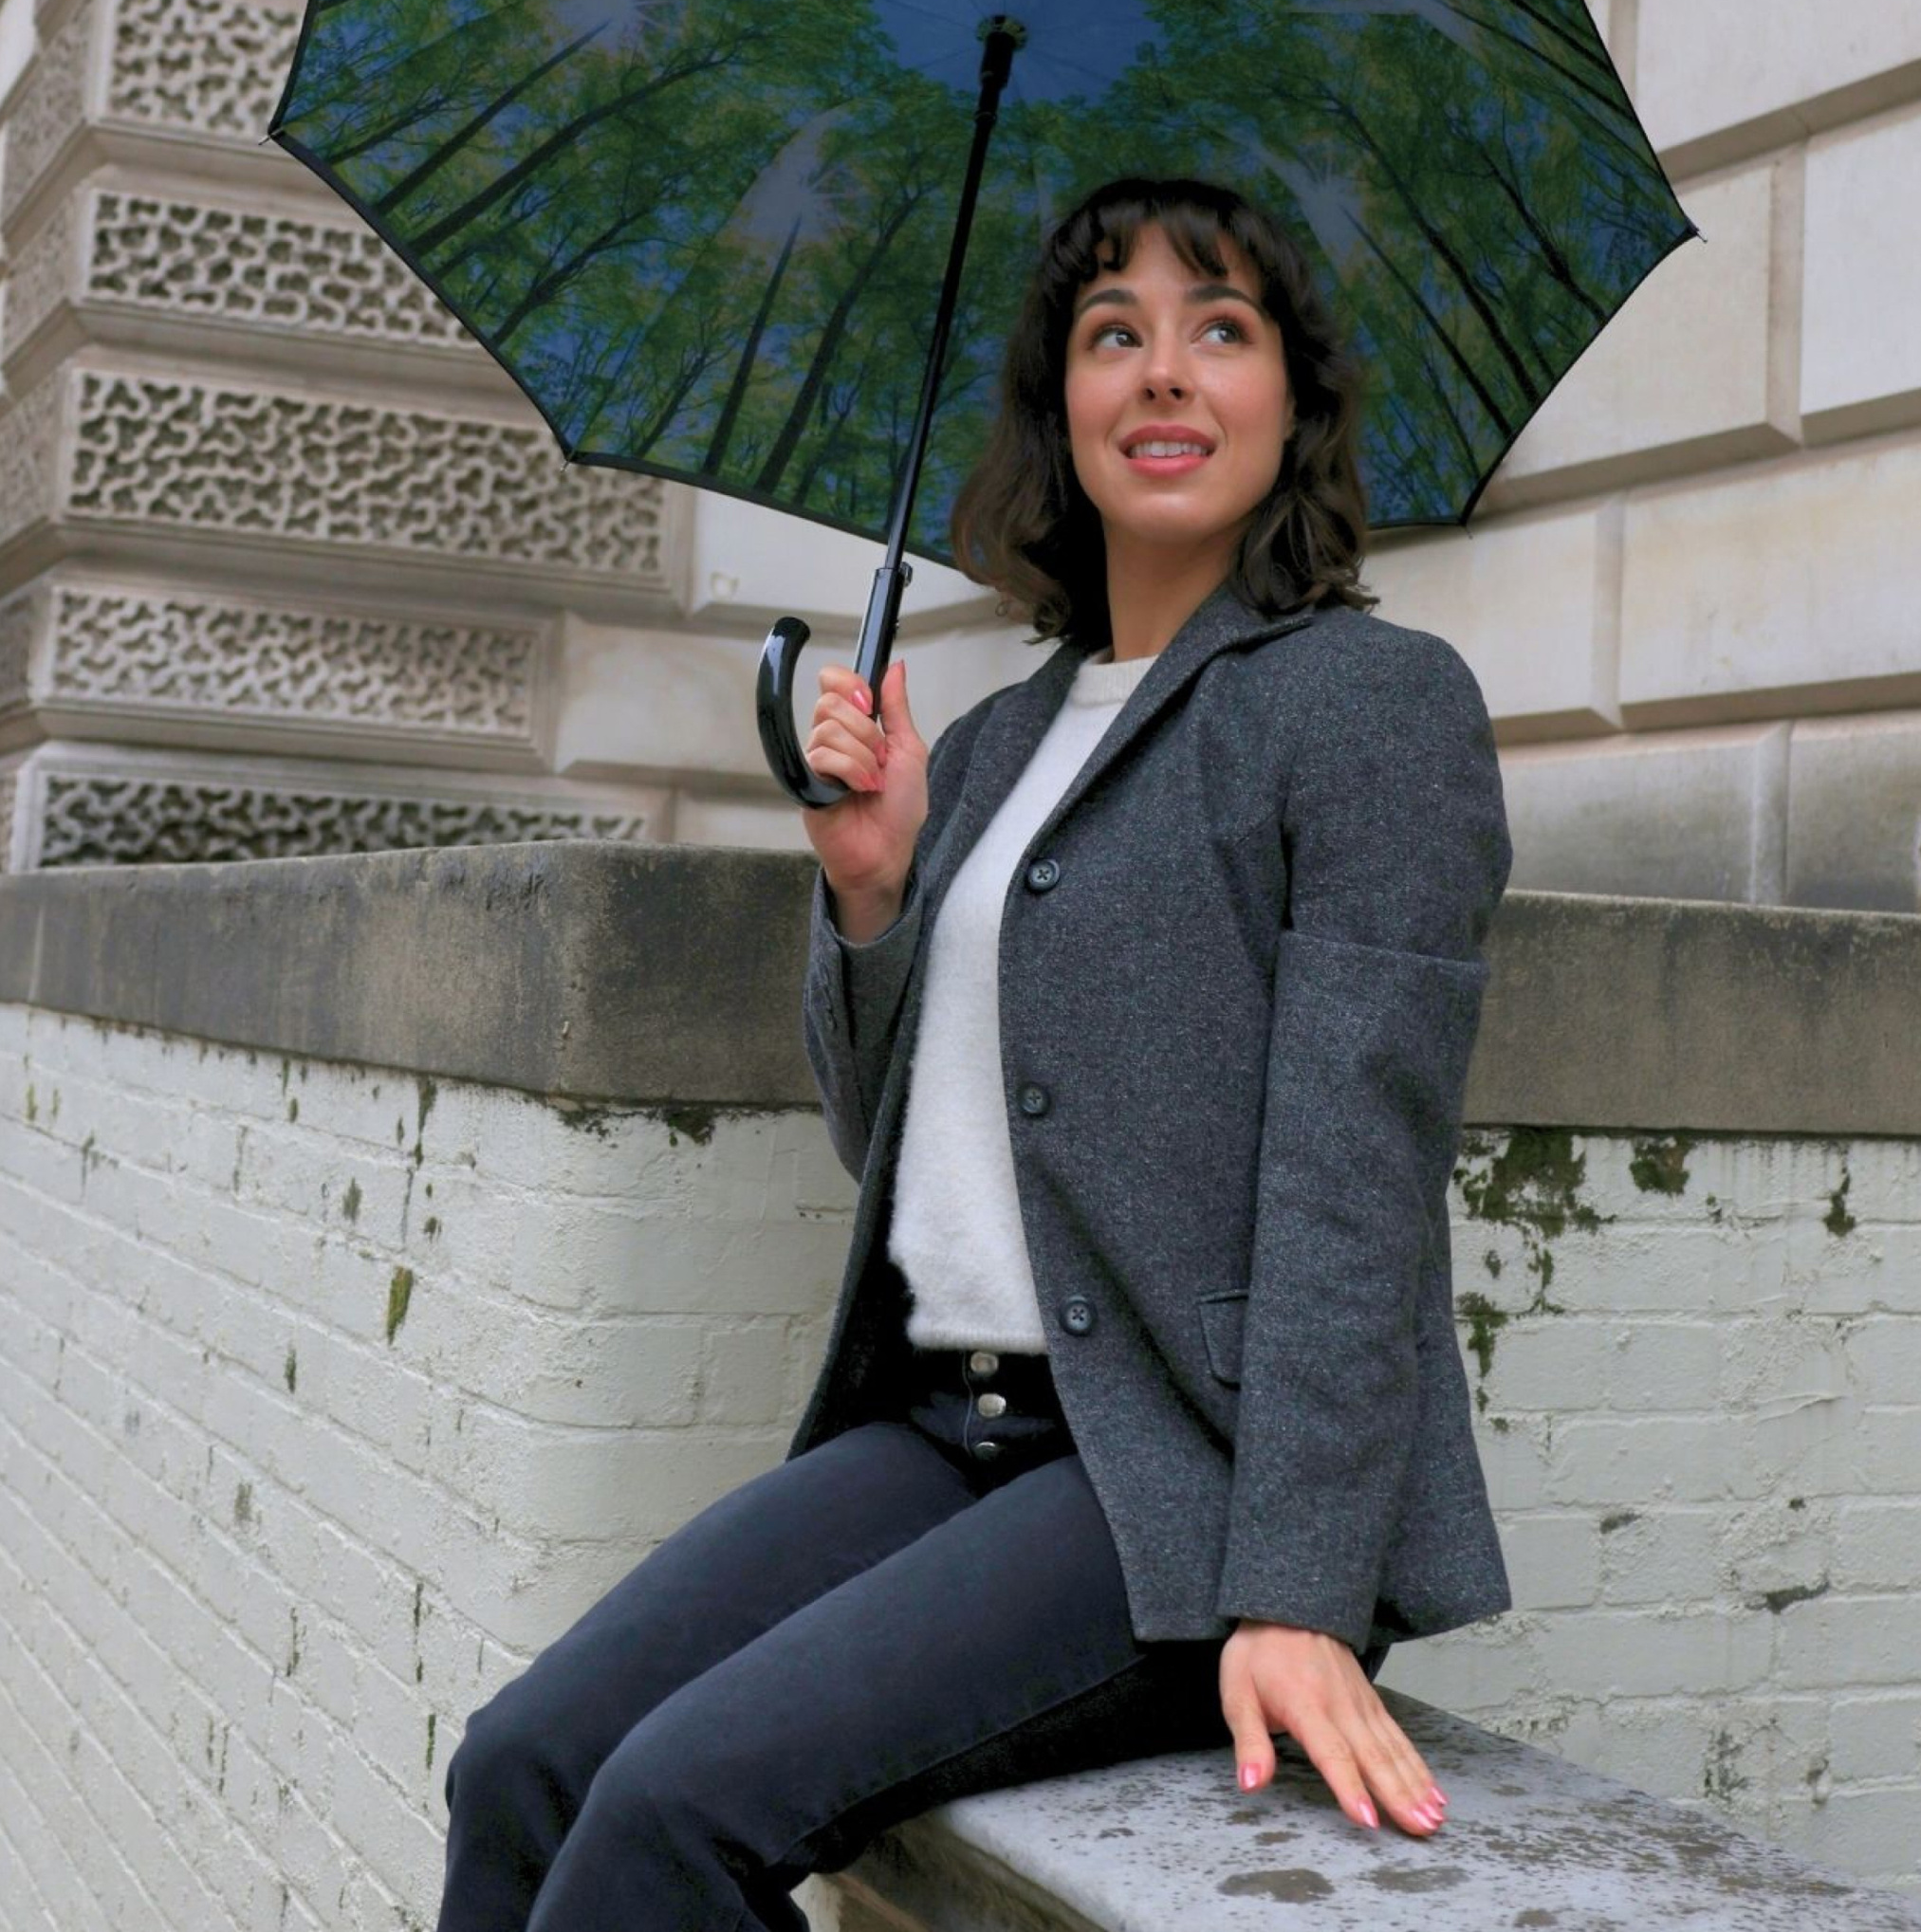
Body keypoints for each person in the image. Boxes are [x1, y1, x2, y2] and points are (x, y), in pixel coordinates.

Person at [434, 176, 1510, 1929]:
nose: (1162, 373)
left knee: (670, 1815)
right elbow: (898, 1145)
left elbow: (1357, 1172)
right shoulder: (1002, 738)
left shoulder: (1368, 704)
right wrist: (871, 890)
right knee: (522, 1762)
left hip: (1171, 1478)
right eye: (1112, 334)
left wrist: (1299, 1589)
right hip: (940, 1431)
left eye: (1219, 329)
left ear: (1293, 400)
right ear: (1058, 409)